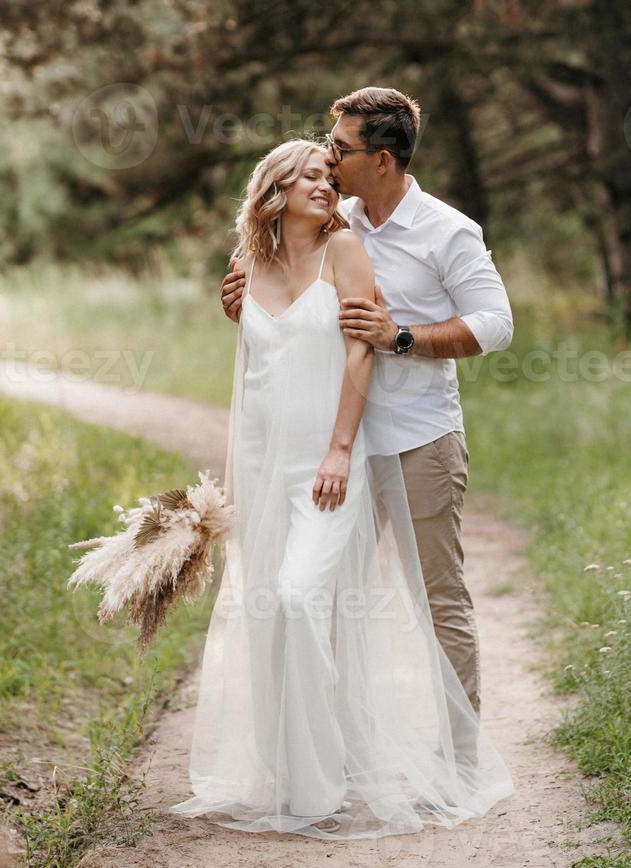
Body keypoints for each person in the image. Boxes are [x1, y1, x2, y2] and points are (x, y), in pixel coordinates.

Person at [170, 138, 513, 840]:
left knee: (325, 598)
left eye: (336, 162)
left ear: (379, 157)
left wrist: (337, 447)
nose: (328, 177)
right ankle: (306, 782)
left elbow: (371, 351)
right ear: (274, 190)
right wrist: (234, 482)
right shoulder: (247, 264)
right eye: (311, 172)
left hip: (343, 461)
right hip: (267, 465)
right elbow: (254, 374)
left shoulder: (362, 244)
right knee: (273, 610)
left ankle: (451, 761)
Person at [220, 87, 514, 718]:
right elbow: (291, 309)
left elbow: (496, 324)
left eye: (342, 148)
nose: (330, 158)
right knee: (320, 596)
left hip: (416, 441)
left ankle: (460, 754)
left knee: (436, 599)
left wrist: (401, 338)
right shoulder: (329, 221)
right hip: (328, 452)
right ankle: (331, 753)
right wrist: (247, 305)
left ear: (384, 159)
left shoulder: (448, 230)